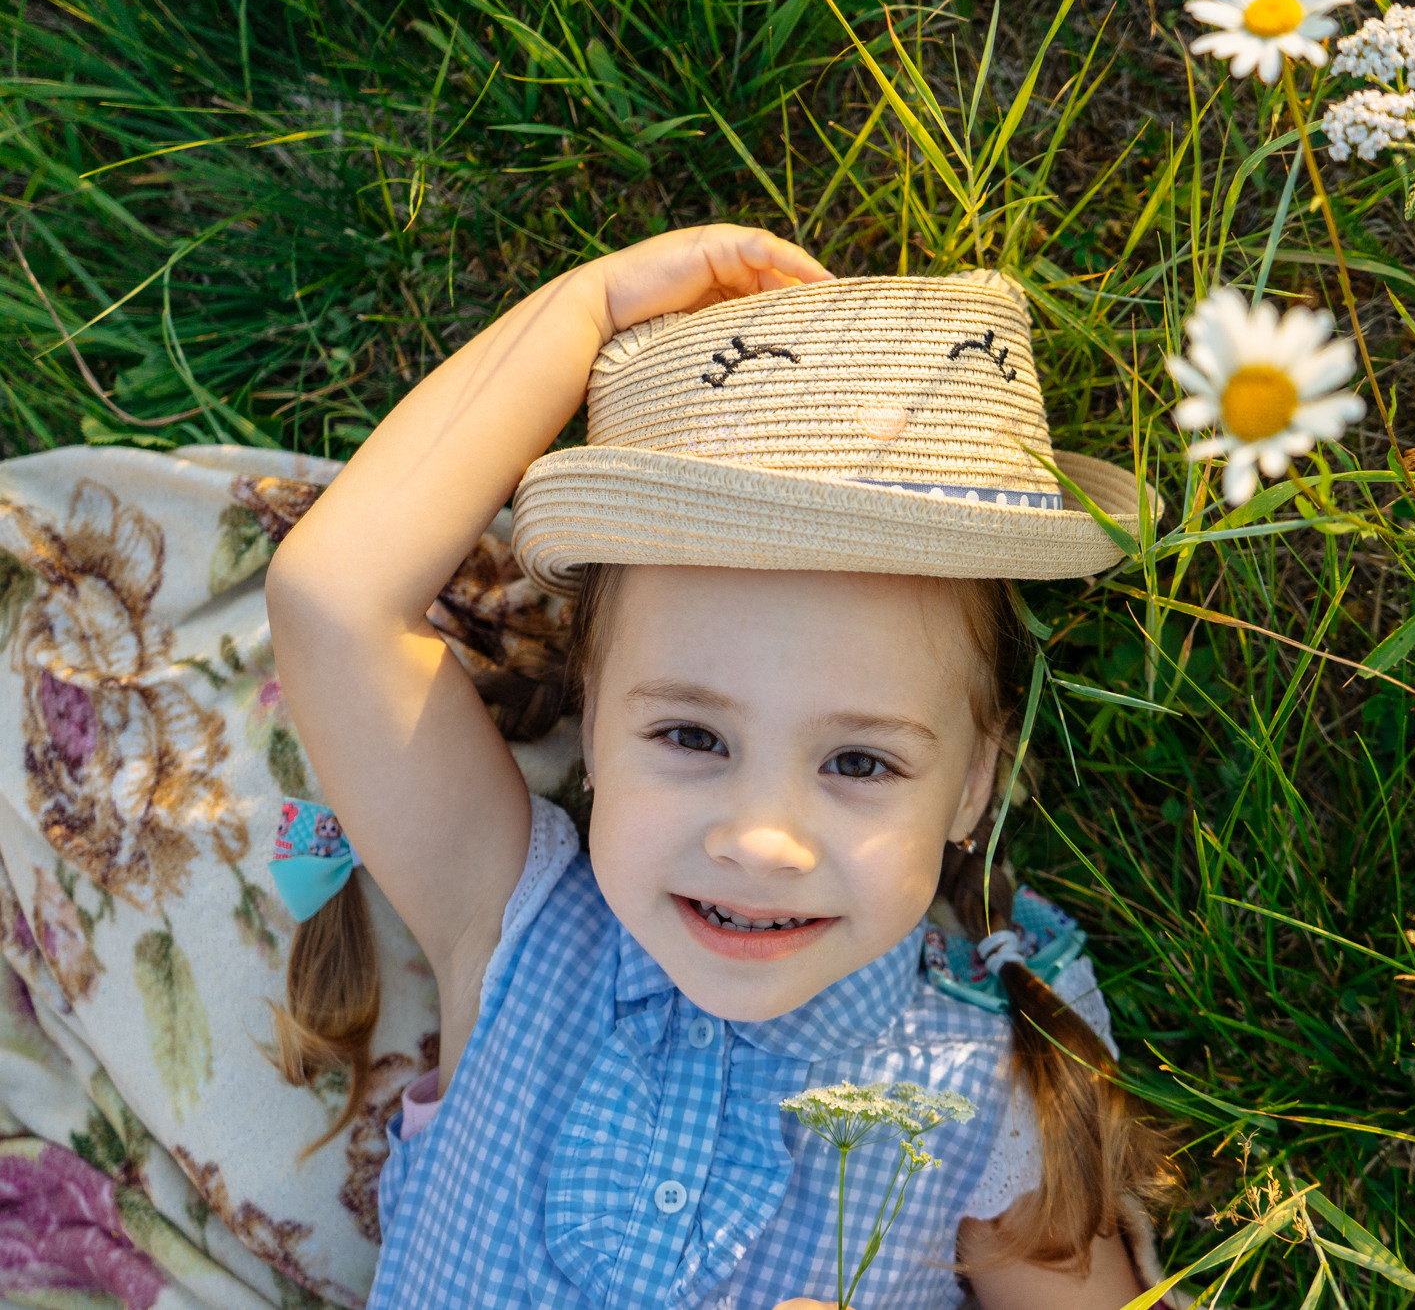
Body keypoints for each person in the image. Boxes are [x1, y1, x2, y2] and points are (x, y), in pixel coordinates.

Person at [263, 224, 1175, 1308]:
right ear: (593, 721)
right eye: (692, 737)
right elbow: (332, 602)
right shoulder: (513, 929)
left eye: (859, 761)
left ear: (972, 782)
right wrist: (586, 312)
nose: (756, 836)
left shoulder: (984, 1100)